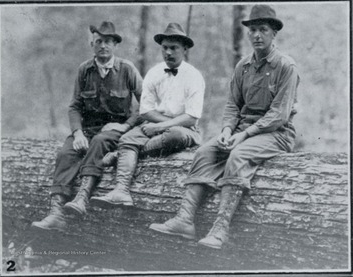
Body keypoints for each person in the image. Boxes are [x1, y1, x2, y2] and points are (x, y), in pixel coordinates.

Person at [149, 5, 300, 249]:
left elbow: (278, 116)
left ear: (274, 34)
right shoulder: (243, 66)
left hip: (276, 133)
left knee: (238, 156)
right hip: (242, 130)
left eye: (263, 29)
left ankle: (220, 229)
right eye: (253, 30)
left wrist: (243, 136)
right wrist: (228, 131)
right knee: (206, 151)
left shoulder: (286, 67)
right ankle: (185, 220)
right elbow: (232, 106)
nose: (257, 35)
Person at [31, 21, 142, 231]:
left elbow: (146, 103)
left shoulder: (127, 69)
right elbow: (74, 106)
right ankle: (56, 213)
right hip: (88, 129)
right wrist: (78, 132)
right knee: (66, 152)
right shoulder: (84, 70)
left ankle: (82, 197)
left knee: (100, 141)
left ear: (115, 45)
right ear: (92, 44)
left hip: (114, 130)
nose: (103, 46)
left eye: (108, 41)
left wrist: (126, 126)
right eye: (99, 41)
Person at [89, 23, 205, 208]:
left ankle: (121, 155)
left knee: (175, 135)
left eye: (173, 48)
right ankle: (121, 191)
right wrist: (160, 124)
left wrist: (161, 126)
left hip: (183, 128)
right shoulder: (155, 72)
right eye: (165, 48)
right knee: (127, 138)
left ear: (184, 49)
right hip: (154, 124)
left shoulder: (194, 76)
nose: (168, 53)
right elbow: (145, 110)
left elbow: (191, 117)